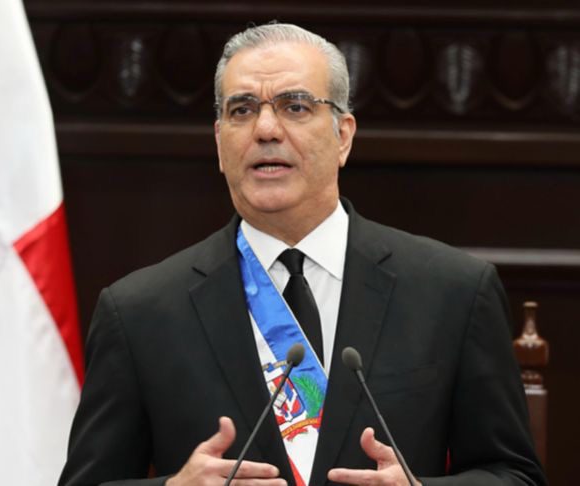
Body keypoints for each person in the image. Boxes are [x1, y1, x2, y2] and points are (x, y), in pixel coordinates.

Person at [59, 23, 546, 486]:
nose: (266, 129)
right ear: (220, 143)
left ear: (343, 136)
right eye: (242, 110)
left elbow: (514, 475)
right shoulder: (140, 312)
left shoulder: (453, 292)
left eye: (294, 106)